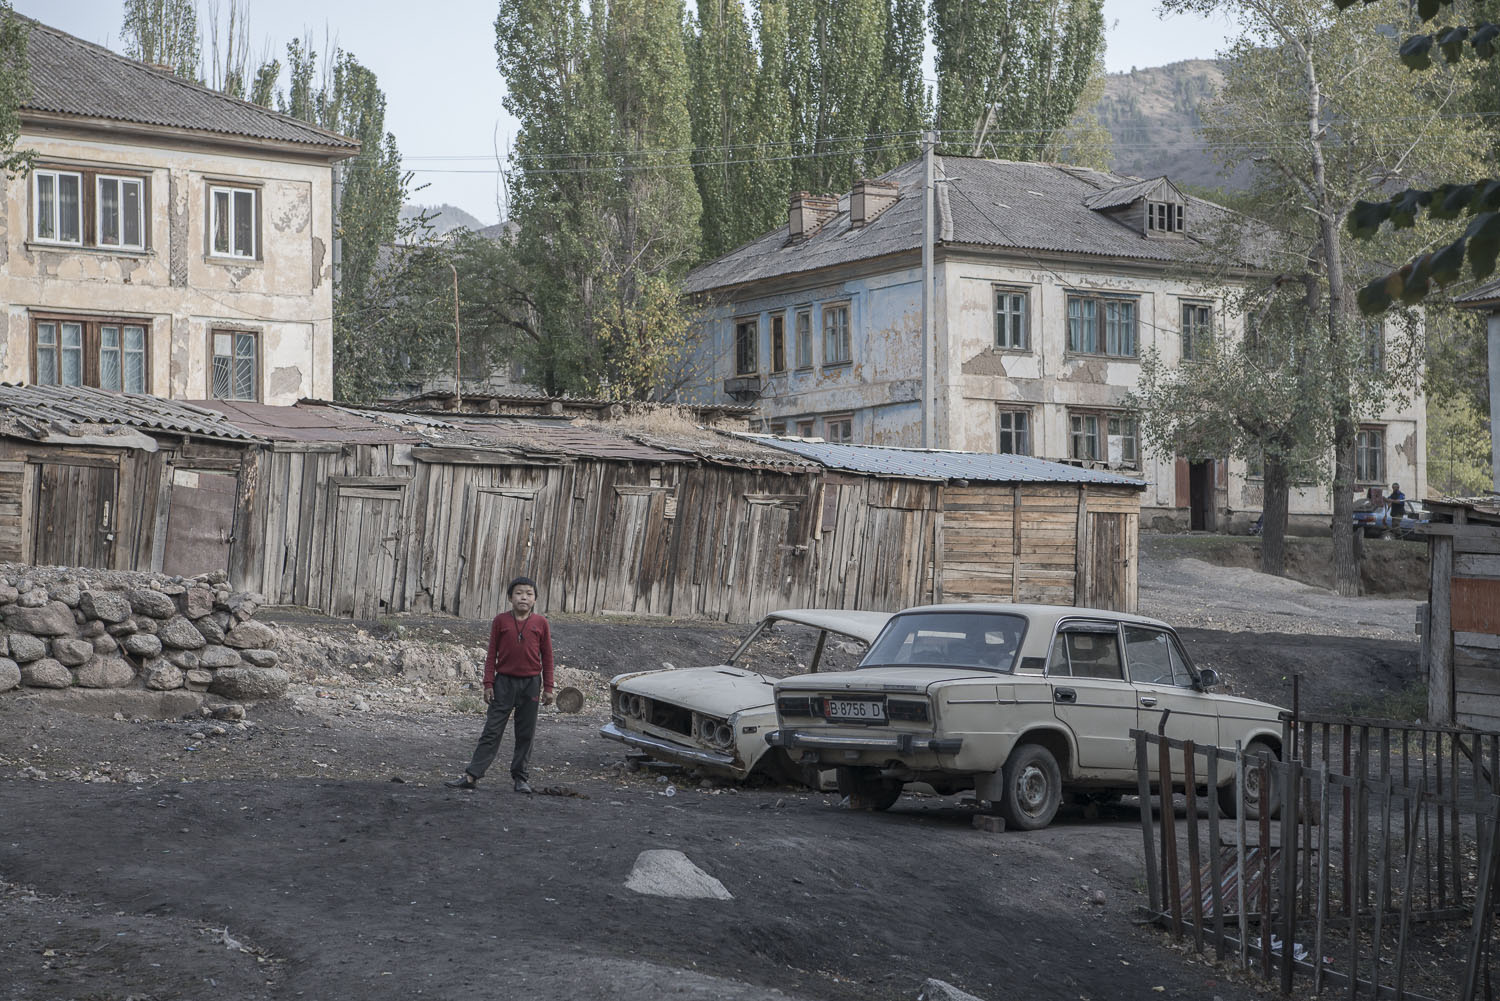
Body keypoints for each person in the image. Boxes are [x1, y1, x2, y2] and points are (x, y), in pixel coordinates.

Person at [446, 576, 554, 793]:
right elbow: (491, 654)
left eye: (529, 594)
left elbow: (548, 656)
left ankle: (520, 778)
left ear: (535, 599)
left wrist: (549, 687)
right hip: (503, 683)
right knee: (491, 731)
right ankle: (472, 775)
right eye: (519, 593)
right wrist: (488, 683)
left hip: (531, 684)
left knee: (525, 733)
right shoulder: (501, 621)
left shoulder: (541, 623)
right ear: (510, 597)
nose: (523, 597)